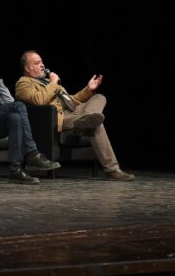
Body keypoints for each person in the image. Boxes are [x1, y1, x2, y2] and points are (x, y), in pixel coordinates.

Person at [14, 51, 135, 181]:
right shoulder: (23, 83)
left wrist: (88, 89)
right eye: (37, 63)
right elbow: (38, 99)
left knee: (99, 97)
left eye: (42, 62)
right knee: (95, 124)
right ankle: (112, 170)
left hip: (74, 113)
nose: (42, 65)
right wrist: (53, 83)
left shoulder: (48, 82)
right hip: (60, 118)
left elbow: (71, 101)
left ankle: (87, 118)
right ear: (27, 68)